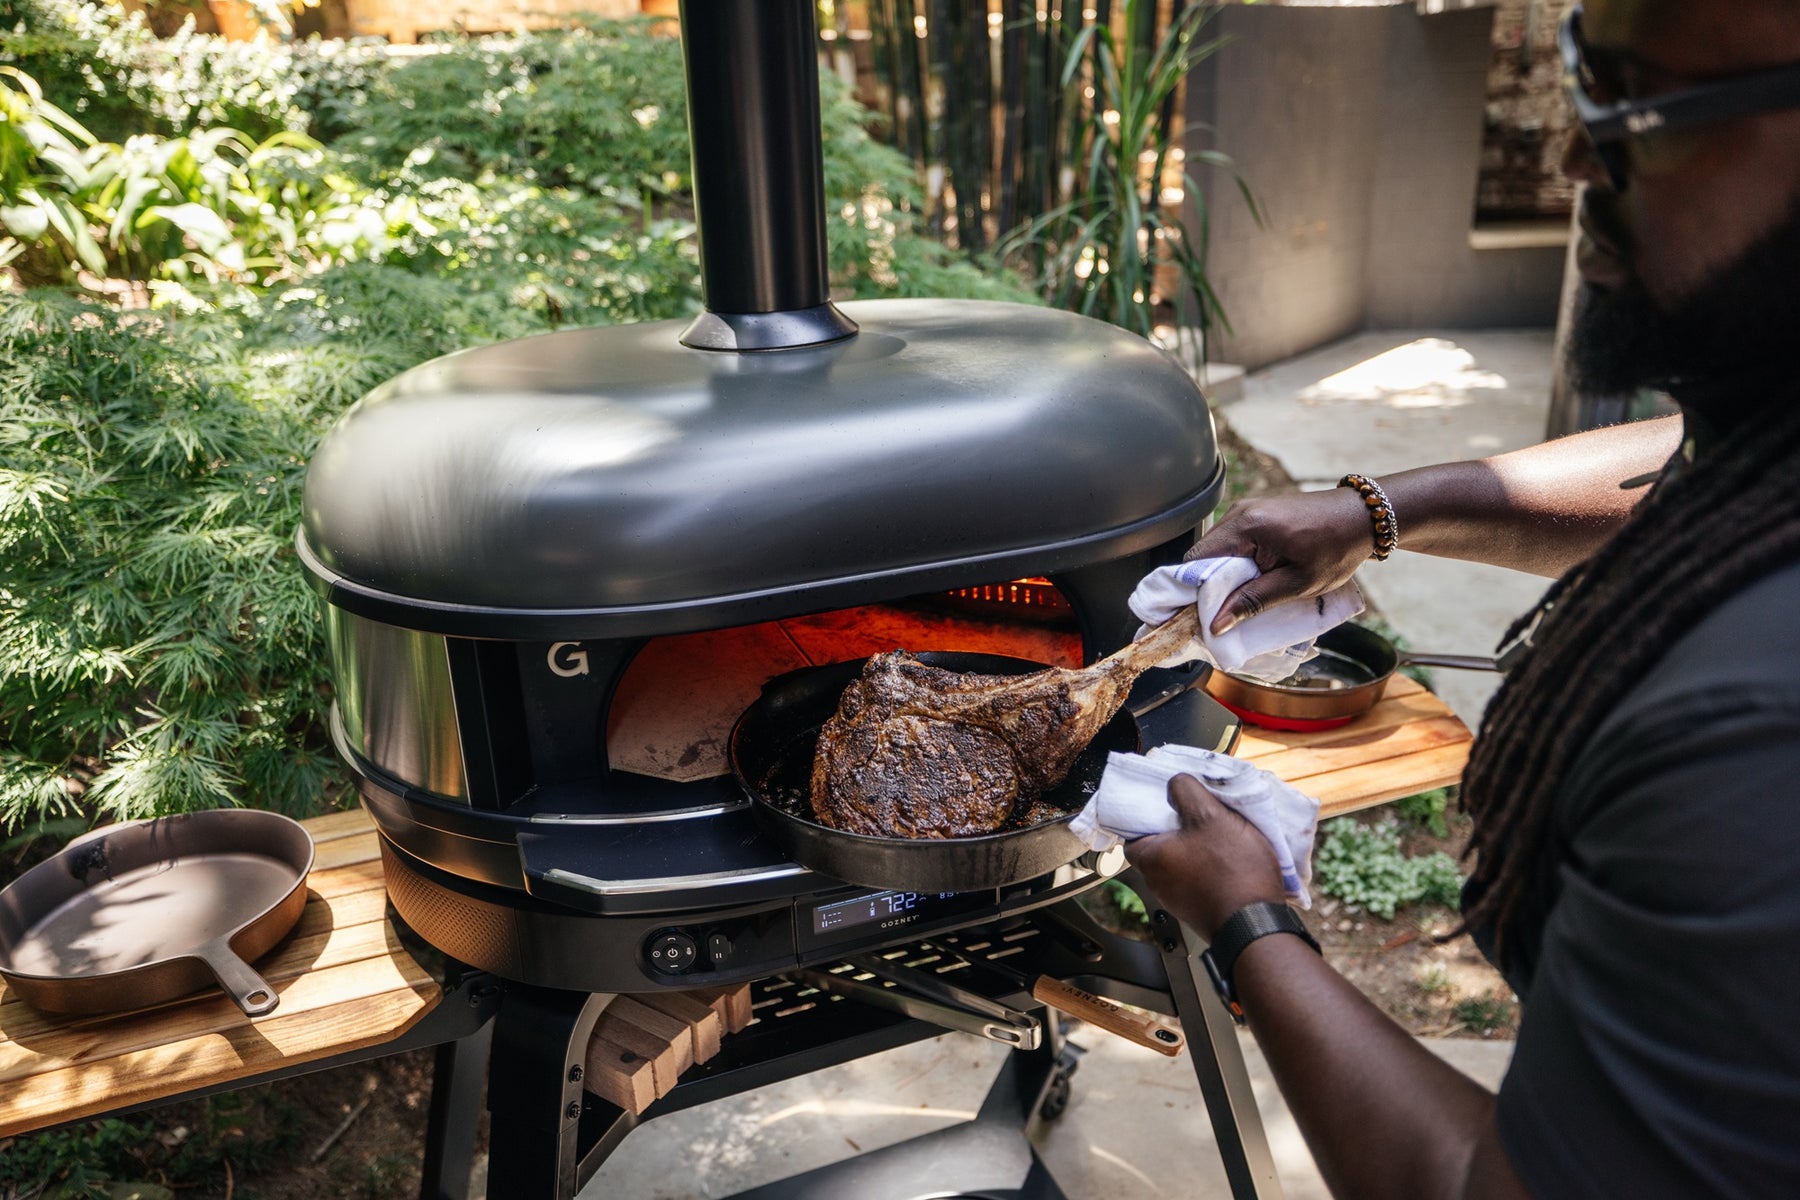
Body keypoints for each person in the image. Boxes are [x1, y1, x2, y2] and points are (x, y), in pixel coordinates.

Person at [1126, 1, 1800, 1195]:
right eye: (1585, 77)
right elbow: (1710, 474)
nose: (1576, 156)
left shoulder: (1754, 742)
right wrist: (1378, 513)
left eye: (1637, 107)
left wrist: (1248, 919)